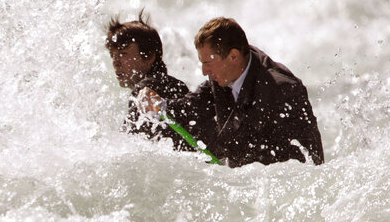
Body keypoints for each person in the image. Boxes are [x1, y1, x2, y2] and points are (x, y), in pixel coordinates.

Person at [139, 17, 324, 167]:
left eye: (208, 64)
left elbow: (305, 162)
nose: (204, 72)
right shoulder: (222, 74)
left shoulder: (281, 91)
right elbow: (194, 107)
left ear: (233, 56)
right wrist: (161, 106)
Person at [104, 11, 191, 150]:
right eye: (113, 55)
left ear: (149, 57)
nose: (116, 62)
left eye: (123, 54)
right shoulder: (175, 85)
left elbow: (131, 148)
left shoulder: (145, 90)